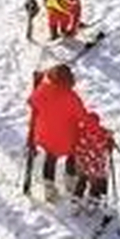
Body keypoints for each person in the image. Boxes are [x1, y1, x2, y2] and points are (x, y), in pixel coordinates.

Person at [27, 64, 87, 203]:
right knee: (72, 156)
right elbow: (82, 115)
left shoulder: (43, 90)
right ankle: (70, 181)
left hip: (45, 134)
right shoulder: (72, 97)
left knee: (50, 159)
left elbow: (31, 102)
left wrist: (38, 84)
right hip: (68, 136)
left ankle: (49, 189)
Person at [70, 109, 116, 216]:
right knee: (95, 184)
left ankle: (76, 200)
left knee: (81, 182)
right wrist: (110, 139)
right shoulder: (101, 134)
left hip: (83, 164)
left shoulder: (81, 132)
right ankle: (92, 201)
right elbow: (108, 143)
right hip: (96, 166)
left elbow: (76, 145)